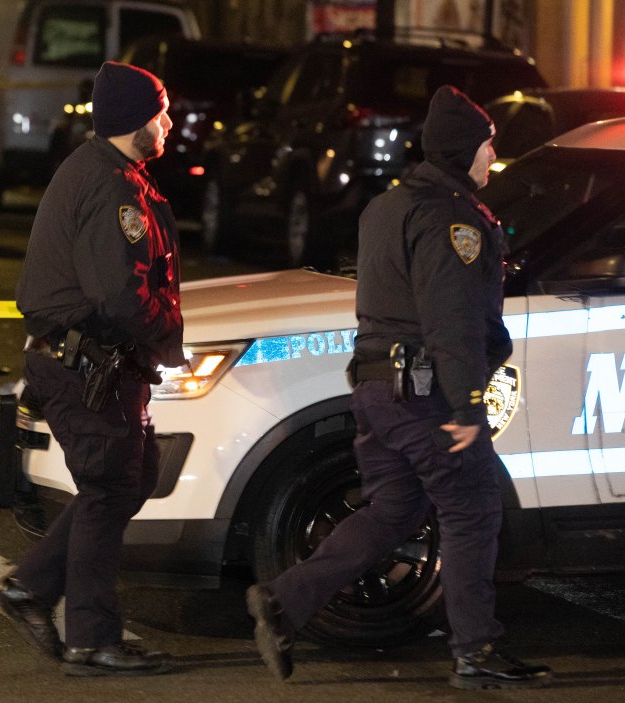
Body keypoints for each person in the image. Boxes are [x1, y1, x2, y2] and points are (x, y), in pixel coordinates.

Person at [245, 85, 554, 691]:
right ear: (466, 150)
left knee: (395, 509)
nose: (494, 157)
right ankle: (477, 650)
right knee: (471, 509)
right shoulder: (453, 219)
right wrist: (467, 406)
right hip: (426, 395)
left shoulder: (386, 207)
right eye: (490, 146)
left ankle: (284, 602)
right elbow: (453, 322)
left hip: (376, 389)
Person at [0, 61, 182, 677]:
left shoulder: (107, 171)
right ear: (136, 122)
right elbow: (119, 296)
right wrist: (169, 333)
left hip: (82, 360)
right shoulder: (114, 187)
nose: (169, 123)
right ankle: (94, 636)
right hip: (85, 364)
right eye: (161, 113)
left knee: (130, 475)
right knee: (110, 489)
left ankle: (30, 588)